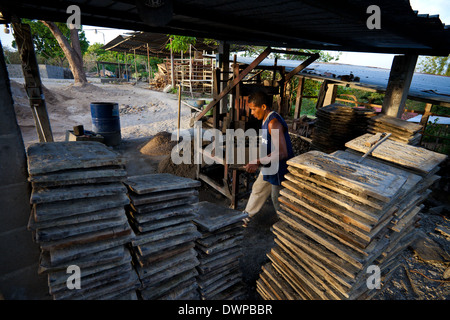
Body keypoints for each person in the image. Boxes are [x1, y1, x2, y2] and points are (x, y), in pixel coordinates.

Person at [242, 90, 294, 227]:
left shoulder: (273, 123)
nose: (252, 113)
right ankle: (246, 216)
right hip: (269, 165)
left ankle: (285, 227)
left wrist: (258, 162)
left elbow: (283, 152)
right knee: (258, 188)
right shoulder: (265, 119)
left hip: (279, 168)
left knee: (277, 199)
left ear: (263, 107)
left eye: (253, 109)